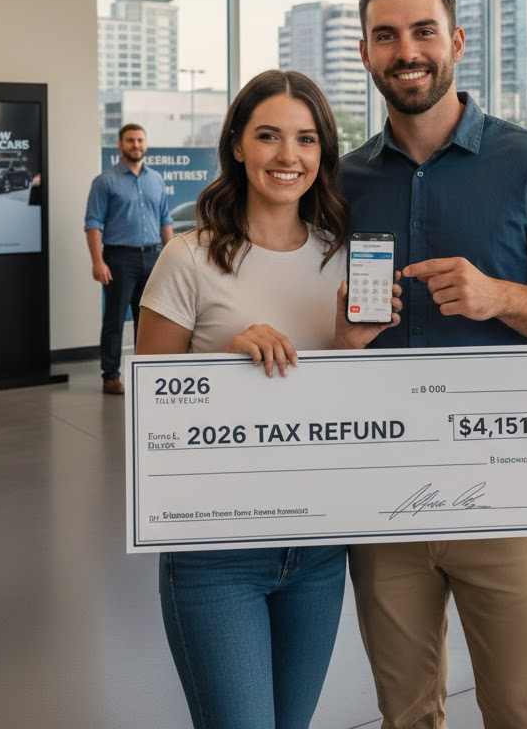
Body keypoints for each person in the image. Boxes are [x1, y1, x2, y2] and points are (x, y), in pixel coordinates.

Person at [341, 0, 527, 729]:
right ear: (366, 53)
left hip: (501, 493)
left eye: (423, 31)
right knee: (405, 716)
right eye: (386, 35)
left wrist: (498, 296)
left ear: (456, 41)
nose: (407, 51)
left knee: (523, 712)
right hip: (382, 500)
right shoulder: (342, 181)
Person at [135, 70, 400, 729]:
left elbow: (350, 416)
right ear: (236, 145)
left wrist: (347, 346)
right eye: (269, 136)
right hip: (216, 552)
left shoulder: (343, 260)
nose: (289, 156)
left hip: (317, 551)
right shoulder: (189, 258)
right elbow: (149, 413)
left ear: (324, 153)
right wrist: (228, 364)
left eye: (306, 139)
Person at [84, 123, 172, 395]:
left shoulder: (156, 179)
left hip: (153, 257)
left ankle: (145, 374)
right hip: (119, 259)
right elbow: (93, 223)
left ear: (146, 144)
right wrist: (98, 261)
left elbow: (165, 221)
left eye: (140, 140)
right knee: (114, 319)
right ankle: (110, 376)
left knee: (147, 320)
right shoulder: (105, 181)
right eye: (130, 140)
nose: (136, 145)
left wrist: (171, 259)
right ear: (120, 145)